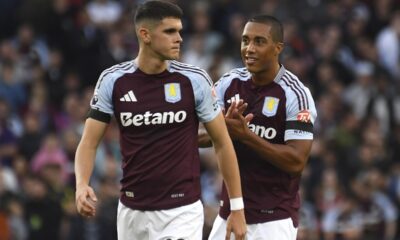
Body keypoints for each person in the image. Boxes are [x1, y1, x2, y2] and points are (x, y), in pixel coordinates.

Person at [74, 1, 246, 240]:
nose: (179, 38)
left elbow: (222, 141)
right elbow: (89, 142)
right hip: (132, 212)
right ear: (145, 35)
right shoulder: (113, 81)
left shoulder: (194, 80)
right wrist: (81, 184)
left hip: (181, 211)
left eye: (179, 31)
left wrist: (237, 207)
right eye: (170, 31)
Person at [205, 15, 317, 239]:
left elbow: (296, 161)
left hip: (273, 218)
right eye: (245, 40)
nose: (249, 48)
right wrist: (221, 126)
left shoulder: (296, 94)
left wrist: (246, 136)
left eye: (259, 41)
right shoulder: (228, 83)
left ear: (278, 48)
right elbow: (195, 134)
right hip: (229, 212)